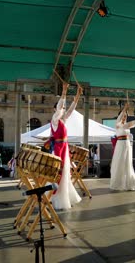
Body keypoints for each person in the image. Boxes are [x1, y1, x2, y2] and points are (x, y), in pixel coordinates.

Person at [49, 81, 82, 210]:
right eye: (60, 108)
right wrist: (63, 92)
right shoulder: (55, 119)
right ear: (55, 110)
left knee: (66, 173)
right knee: (60, 172)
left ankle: (65, 195)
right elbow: (60, 108)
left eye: (62, 109)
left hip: (64, 148)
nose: (62, 110)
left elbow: (71, 110)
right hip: (58, 149)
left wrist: (77, 96)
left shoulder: (63, 120)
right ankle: (56, 196)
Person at [110, 102, 135, 191]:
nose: (124, 117)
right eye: (123, 116)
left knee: (127, 163)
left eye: (125, 116)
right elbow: (121, 116)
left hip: (127, 145)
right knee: (119, 163)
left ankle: (129, 184)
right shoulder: (118, 124)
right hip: (120, 145)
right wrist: (125, 108)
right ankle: (118, 184)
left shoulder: (127, 125)